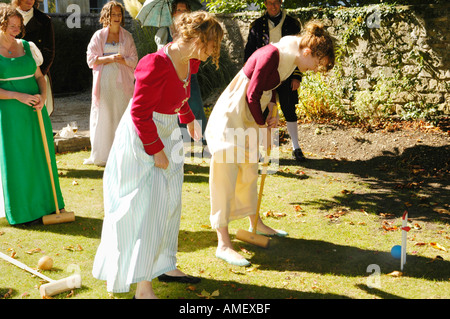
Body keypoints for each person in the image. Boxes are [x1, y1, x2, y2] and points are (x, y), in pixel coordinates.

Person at [92, 11, 224, 299]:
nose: (212, 54)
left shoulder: (188, 61)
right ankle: (143, 287)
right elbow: (140, 113)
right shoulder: (154, 64)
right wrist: (156, 151)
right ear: (199, 39)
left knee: (171, 202)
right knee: (147, 207)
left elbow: (180, 95)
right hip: (143, 135)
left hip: (167, 131)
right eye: (212, 47)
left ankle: (166, 264)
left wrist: (187, 117)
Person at [205, 21, 335, 266]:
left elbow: (270, 87)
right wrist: (264, 124)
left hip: (253, 112)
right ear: (308, 52)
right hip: (234, 113)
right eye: (318, 64)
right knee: (225, 172)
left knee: (249, 171)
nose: (316, 69)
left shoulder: (289, 56)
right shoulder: (272, 54)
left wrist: (273, 108)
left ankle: (256, 224)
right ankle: (223, 243)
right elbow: (252, 94)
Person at [0, 4, 69, 225]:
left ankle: (48, 206)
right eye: (11, 26)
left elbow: (40, 77)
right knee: (18, 159)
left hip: (35, 111)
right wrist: (17, 96)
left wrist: (42, 95)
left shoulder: (28, 47)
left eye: (18, 26)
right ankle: (22, 212)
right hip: (11, 114)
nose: (16, 30)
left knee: (42, 156)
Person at [244, 0, 306, 162]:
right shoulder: (257, 25)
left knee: (289, 109)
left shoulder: (293, 24)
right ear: (265, 3)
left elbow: (300, 50)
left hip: (287, 73)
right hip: (264, 75)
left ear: (281, 3)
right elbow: (249, 52)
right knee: (262, 110)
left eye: (276, 2)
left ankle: (296, 147)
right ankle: (260, 150)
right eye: (269, 3)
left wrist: (296, 76)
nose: (273, 6)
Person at [84, 1, 138, 166]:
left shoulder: (127, 36)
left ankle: (124, 153)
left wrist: (123, 60)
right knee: (105, 115)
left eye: (119, 14)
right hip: (104, 84)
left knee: (122, 115)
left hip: (123, 85)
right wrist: (110, 58)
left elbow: (134, 59)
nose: (116, 17)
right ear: (107, 16)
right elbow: (91, 59)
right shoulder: (99, 36)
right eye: (113, 14)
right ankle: (103, 155)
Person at [155, 0, 209, 150]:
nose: (181, 12)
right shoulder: (165, 30)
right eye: (178, 10)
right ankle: (177, 140)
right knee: (176, 107)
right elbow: (161, 52)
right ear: (173, 12)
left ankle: (202, 139)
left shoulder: (192, 30)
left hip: (189, 73)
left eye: (184, 10)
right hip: (172, 75)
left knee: (196, 104)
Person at [11, 0, 55, 116]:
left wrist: (38, 75)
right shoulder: (7, 17)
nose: (30, 0)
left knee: (39, 112)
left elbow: (49, 51)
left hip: (38, 74)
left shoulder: (44, 20)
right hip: (12, 76)